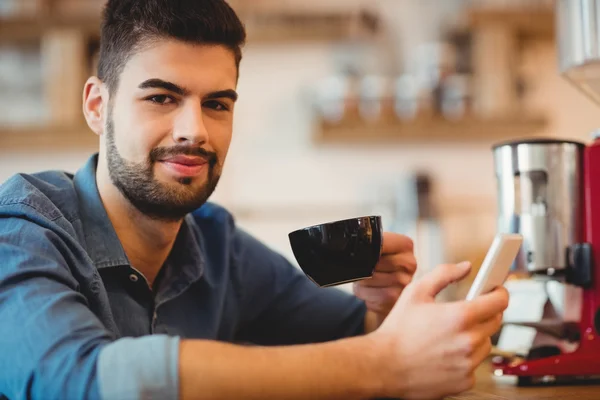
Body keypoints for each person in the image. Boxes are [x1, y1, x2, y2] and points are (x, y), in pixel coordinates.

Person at [0, 1, 509, 399]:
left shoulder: (217, 244)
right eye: (161, 97)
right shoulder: (22, 228)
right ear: (97, 105)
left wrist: (384, 313)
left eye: (216, 104)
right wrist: (386, 363)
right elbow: (76, 382)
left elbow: (355, 339)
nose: (194, 131)